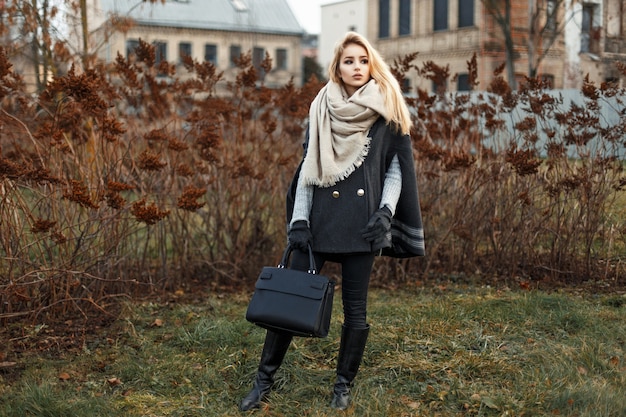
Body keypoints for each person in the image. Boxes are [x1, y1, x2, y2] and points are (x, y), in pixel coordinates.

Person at [239, 31, 425, 412]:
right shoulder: (321, 107)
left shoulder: (387, 109)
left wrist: (385, 214)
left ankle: (342, 386)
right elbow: (309, 168)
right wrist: (299, 220)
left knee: (356, 311)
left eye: (362, 60)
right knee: (289, 299)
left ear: (371, 65)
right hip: (319, 221)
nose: (356, 67)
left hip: (363, 225)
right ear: (337, 69)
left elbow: (395, 172)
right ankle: (263, 383)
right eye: (348, 61)